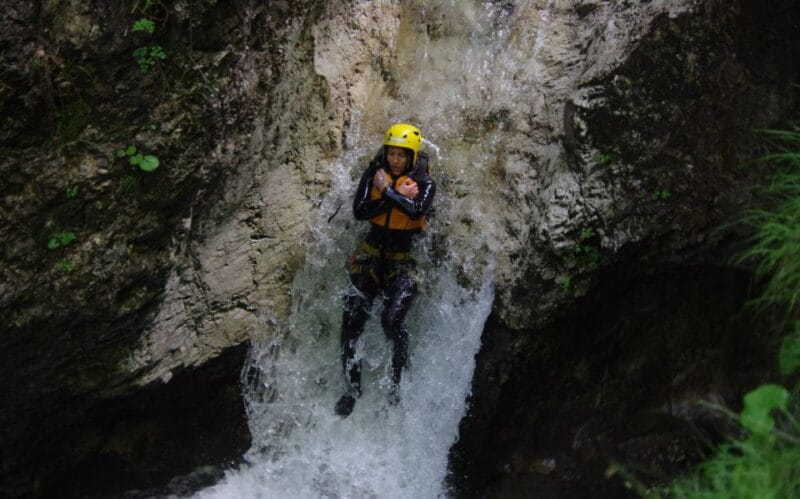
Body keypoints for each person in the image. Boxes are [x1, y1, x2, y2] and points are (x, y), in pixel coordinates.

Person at [334, 123, 436, 417]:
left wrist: (387, 192)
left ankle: (396, 383)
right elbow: (359, 211)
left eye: (401, 156)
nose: (394, 160)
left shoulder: (425, 183)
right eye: (391, 153)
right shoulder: (374, 174)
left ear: (412, 157)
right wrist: (390, 195)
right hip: (370, 254)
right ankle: (351, 390)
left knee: (391, 321)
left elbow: (416, 211)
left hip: (404, 259)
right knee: (351, 320)